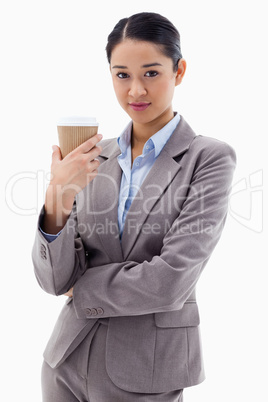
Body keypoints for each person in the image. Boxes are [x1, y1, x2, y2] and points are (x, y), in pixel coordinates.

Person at [32, 12, 236, 402]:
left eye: (152, 73)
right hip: (65, 362)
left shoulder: (207, 158)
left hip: (147, 369)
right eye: (122, 75)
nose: (136, 91)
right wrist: (57, 195)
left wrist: (84, 287)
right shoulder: (94, 156)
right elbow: (54, 281)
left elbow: (171, 280)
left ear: (179, 71)